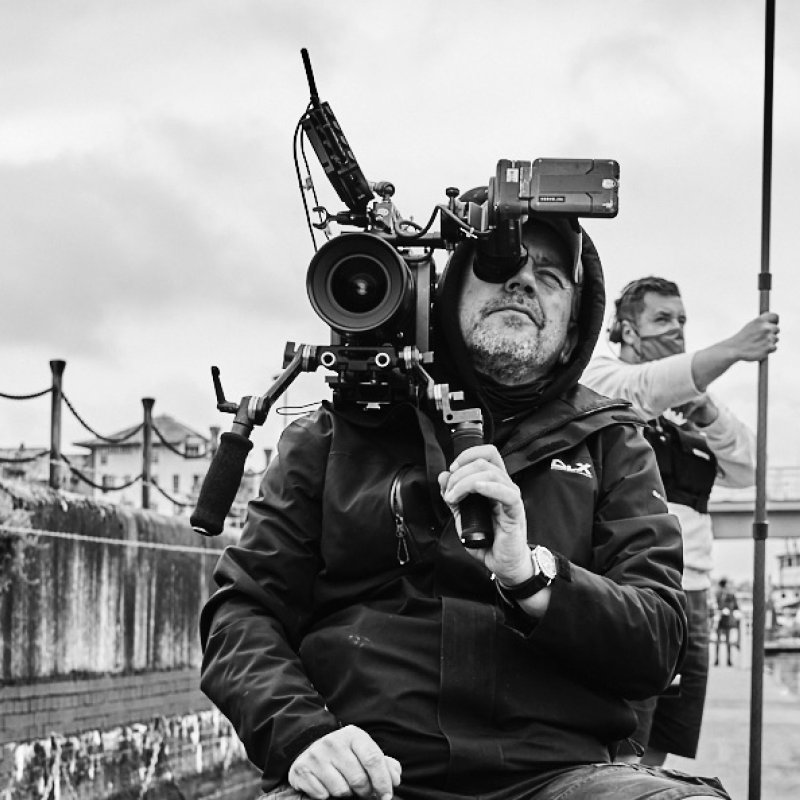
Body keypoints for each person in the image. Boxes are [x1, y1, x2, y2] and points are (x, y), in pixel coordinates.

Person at [200, 218, 732, 799]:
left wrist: (532, 578)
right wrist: (299, 734)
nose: (524, 282)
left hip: (561, 778)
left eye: (550, 277)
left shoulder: (612, 442)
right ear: (448, 293)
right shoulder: (328, 438)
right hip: (367, 774)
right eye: (499, 267)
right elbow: (241, 614)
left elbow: (656, 643)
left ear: (574, 323)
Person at [582, 276, 779, 767]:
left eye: (683, 321)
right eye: (663, 319)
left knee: (664, 742)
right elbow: (644, 386)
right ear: (627, 330)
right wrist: (734, 348)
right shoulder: (602, 380)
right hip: (632, 586)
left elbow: (750, 468)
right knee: (620, 741)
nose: (677, 330)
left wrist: (708, 411)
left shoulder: (686, 410)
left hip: (694, 594)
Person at [714, 577, 740, 667]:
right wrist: (721, 610)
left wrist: (729, 609)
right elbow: (715, 606)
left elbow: (736, 606)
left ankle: (729, 660)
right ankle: (716, 660)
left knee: (728, 641)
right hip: (720, 620)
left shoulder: (731, 595)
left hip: (727, 620)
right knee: (717, 641)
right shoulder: (718, 595)